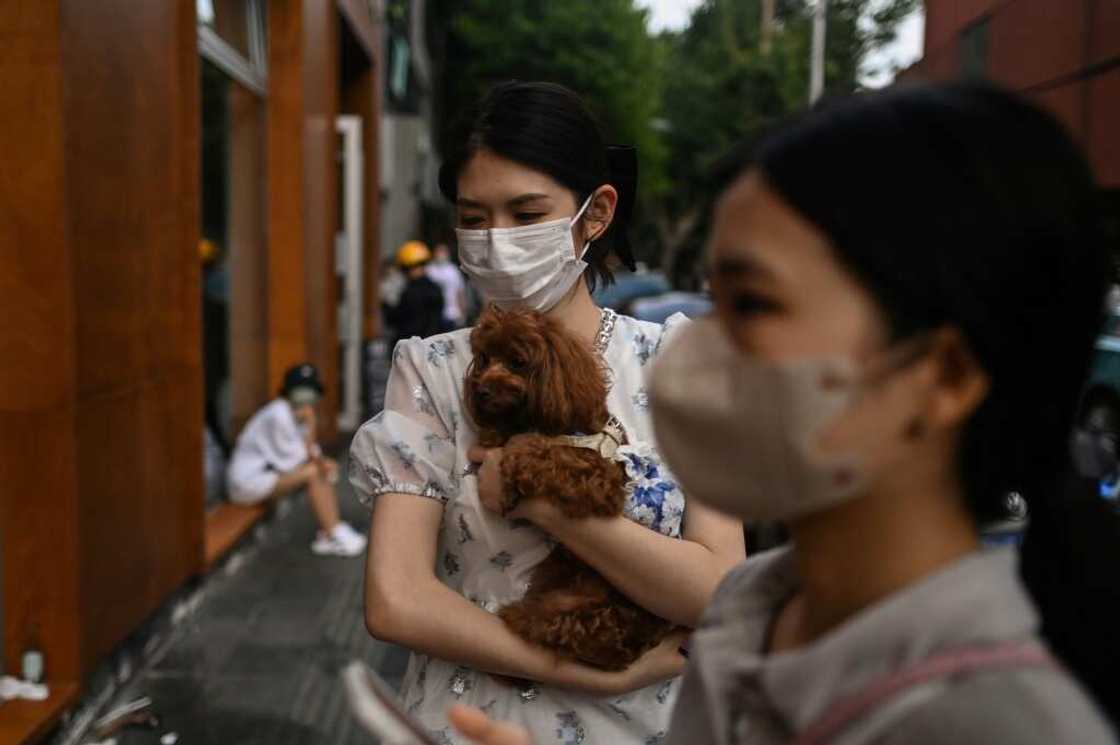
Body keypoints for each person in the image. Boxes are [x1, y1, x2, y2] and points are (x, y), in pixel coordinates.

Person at [448, 82, 1120, 744]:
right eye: (716, 299)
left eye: (755, 306)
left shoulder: (996, 719)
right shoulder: (756, 610)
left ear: (940, 375)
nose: (699, 348)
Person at [348, 81, 745, 744]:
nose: (496, 241)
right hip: (468, 723)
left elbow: (721, 586)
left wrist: (548, 504)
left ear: (596, 213)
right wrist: (585, 672)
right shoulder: (433, 370)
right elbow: (396, 597)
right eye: (473, 218)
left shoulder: (677, 364)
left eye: (525, 212)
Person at [228, 363, 367, 557]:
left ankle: (332, 530)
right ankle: (332, 532)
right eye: (302, 388)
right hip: (246, 484)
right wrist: (311, 426)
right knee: (313, 472)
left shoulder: (295, 414)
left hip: (267, 476)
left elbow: (309, 455)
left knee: (318, 470)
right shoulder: (279, 414)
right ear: (289, 389)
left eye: (311, 390)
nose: (308, 395)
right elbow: (298, 461)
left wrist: (322, 462)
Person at [384, 240, 447, 348]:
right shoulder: (435, 289)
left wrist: (385, 306)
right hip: (431, 348)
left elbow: (397, 319)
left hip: (410, 349)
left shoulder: (410, 292)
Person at [427, 242, 468, 328]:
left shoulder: (453, 270)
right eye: (438, 251)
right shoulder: (429, 270)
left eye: (443, 251)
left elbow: (460, 292)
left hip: (452, 314)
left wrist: (463, 313)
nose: (441, 254)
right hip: (434, 315)